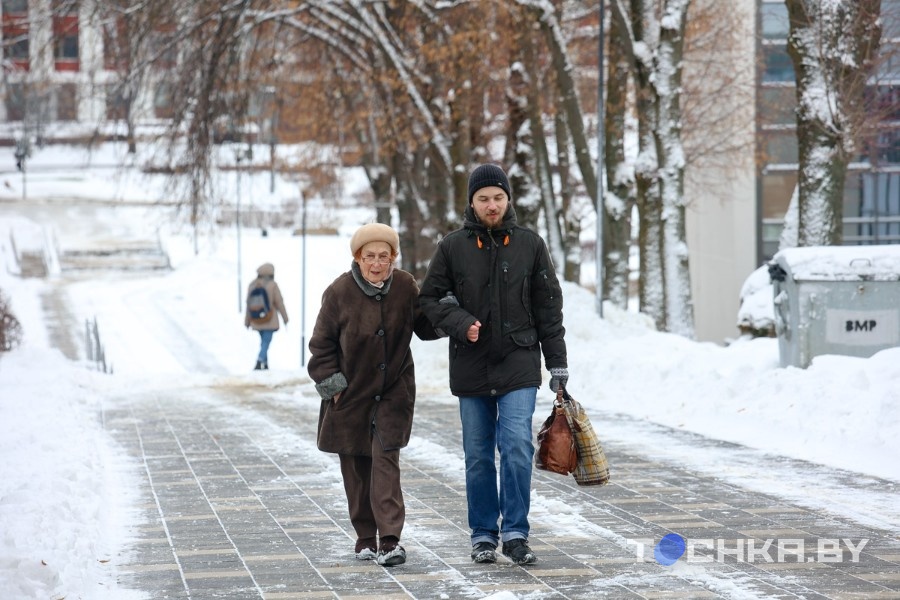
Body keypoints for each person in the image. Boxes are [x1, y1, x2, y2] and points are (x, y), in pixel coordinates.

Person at [418, 163, 568, 566]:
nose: (491, 205)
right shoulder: (452, 247)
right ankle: (483, 534)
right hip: (471, 366)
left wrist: (557, 364)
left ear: (507, 199)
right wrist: (460, 322)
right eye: (483, 198)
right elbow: (428, 300)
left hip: (519, 360)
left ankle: (516, 533)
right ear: (472, 202)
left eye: (498, 197)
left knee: (516, 445)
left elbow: (548, 307)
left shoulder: (530, 244)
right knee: (479, 454)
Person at [307, 223, 440, 567]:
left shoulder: (406, 286)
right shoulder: (339, 292)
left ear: (394, 258)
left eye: (384, 257)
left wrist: (448, 310)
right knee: (355, 467)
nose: (377, 264)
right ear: (357, 257)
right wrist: (334, 388)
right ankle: (366, 537)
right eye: (370, 257)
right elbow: (320, 346)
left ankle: (391, 540)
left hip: (393, 391)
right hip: (350, 395)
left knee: (385, 461)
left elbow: (425, 326)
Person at [244, 262, 289, 370]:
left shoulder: (252, 284)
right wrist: (285, 318)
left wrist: (247, 321)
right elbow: (279, 302)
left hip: (256, 319)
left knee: (264, 342)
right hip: (269, 319)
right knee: (266, 342)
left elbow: (248, 304)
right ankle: (259, 361)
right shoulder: (273, 285)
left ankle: (265, 364)